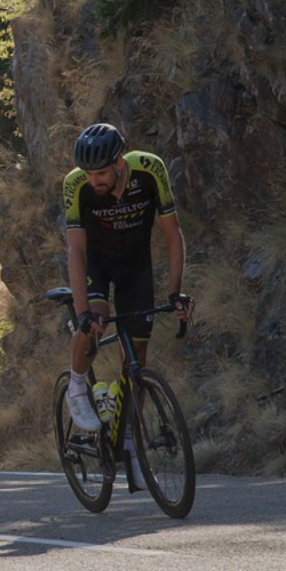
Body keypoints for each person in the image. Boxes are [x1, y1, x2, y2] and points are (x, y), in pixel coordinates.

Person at [62, 122, 194, 490]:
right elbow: (75, 249)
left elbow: (172, 232)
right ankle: (76, 387)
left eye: (101, 172)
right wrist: (83, 308)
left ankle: (131, 442)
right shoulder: (76, 185)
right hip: (97, 266)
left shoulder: (151, 169)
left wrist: (175, 293)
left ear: (120, 162)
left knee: (137, 357)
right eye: (88, 173)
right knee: (93, 324)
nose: (93, 181)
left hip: (136, 266)